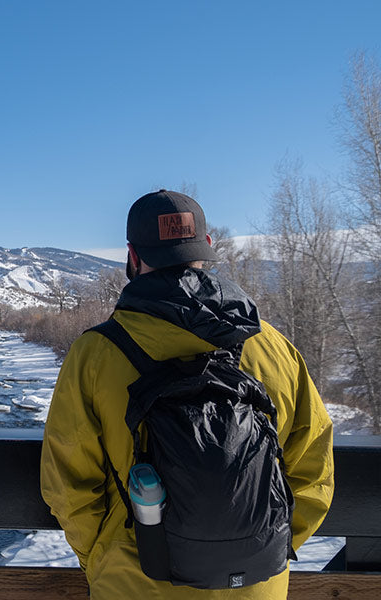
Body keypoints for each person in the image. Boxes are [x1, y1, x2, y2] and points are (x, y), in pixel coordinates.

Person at [40, 190, 334, 599]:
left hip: (133, 582)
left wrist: (103, 559)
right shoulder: (275, 347)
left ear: (132, 256)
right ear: (208, 248)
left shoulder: (96, 353)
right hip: (257, 585)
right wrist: (266, 549)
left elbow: (68, 485)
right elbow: (314, 470)